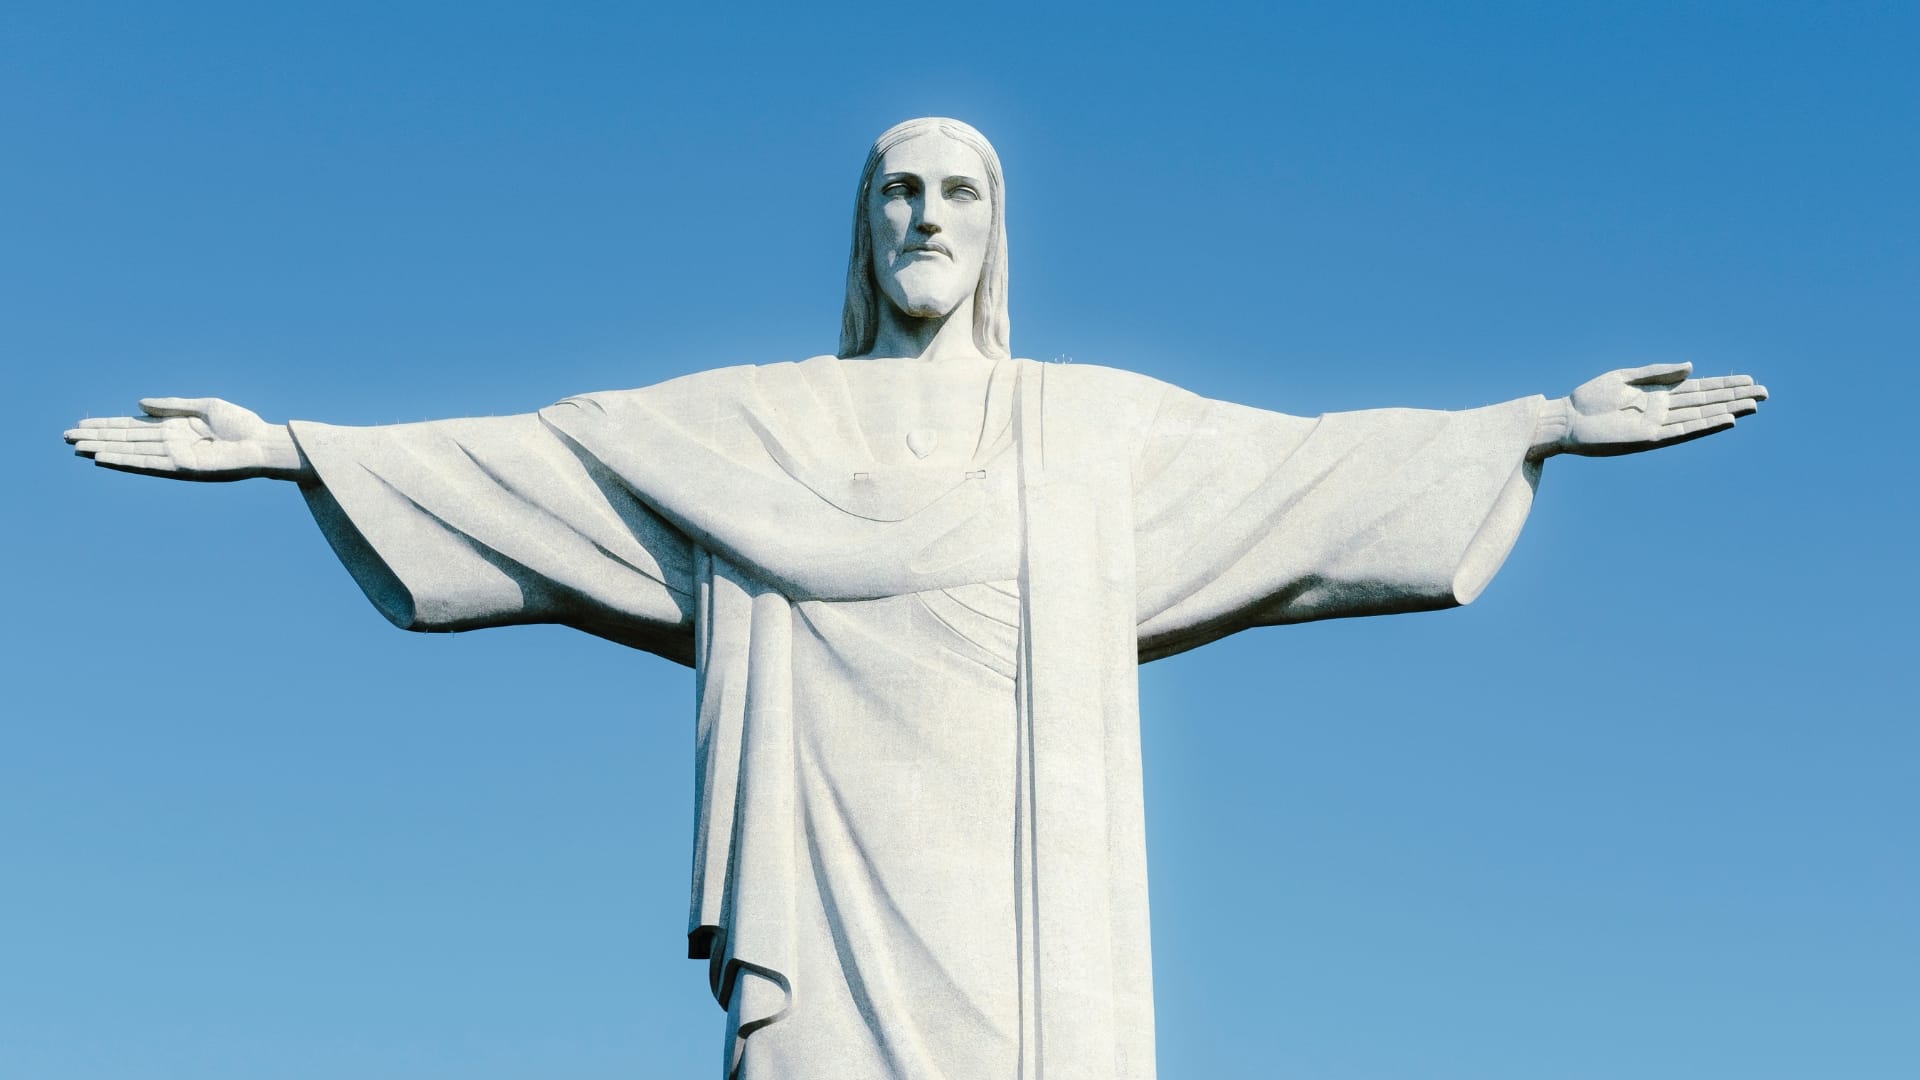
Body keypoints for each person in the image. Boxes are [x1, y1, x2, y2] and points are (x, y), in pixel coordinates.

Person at [66, 117, 1766, 1080]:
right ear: (860, 224)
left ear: (997, 230)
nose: (925, 216)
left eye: (959, 192)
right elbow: (548, 466)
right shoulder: (756, 426)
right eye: (897, 190)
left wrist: (1536, 419)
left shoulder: (1088, 430)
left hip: (1038, 933)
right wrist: (295, 449)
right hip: (824, 907)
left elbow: (1306, 472)